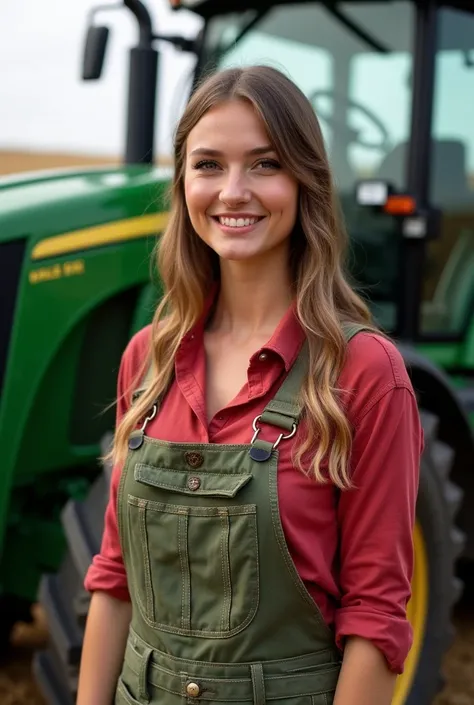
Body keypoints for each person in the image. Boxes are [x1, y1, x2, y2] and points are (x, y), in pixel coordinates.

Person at [77, 65, 422, 705]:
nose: (233, 191)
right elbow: (116, 577)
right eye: (209, 164)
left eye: (265, 164)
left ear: (306, 182)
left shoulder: (364, 376)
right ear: (183, 184)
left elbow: (376, 616)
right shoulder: (145, 362)